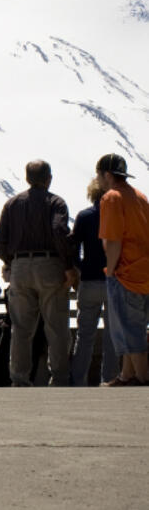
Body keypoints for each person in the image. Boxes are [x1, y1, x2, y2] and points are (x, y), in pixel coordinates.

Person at [0, 160, 75, 387]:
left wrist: (12, 262)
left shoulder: (12, 204)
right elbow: (59, 230)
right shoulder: (56, 203)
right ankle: (59, 378)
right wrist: (68, 265)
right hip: (50, 265)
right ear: (49, 178)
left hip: (20, 267)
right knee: (56, 327)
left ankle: (19, 378)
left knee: (21, 328)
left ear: (27, 178)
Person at [94, 154, 149, 386]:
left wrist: (111, 271)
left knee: (129, 330)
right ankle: (127, 376)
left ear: (107, 175)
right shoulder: (139, 196)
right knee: (133, 326)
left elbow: (113, 241)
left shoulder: (111, 198)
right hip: (144, 271)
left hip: (125, 273)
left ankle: (144, 378)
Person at [70, 178, 119, 385]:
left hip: (89, 281)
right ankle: (109, 379)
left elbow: (73, 246)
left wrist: (80, 267)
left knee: (85, 335)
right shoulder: (118, 216)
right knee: (111, 336)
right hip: (114, 281)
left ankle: (78, 379)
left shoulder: (84, 216)